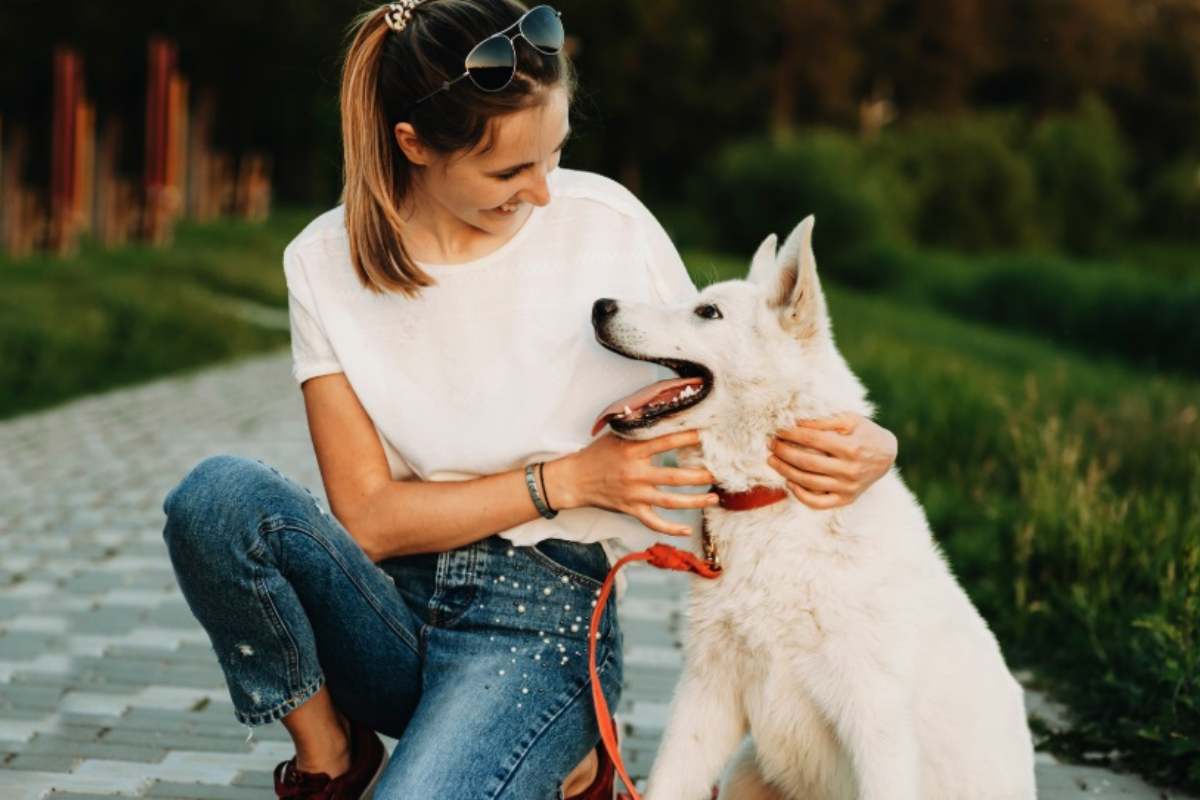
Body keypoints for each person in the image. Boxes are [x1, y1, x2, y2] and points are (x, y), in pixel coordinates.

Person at [160, 1, 899, 798]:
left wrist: (876, 448)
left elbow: (738, 384)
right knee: (216, 500)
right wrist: (568, 480)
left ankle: (572, 757)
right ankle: (330, 755)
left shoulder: (606, 224)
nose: (545, 192)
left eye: (554, 156)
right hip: (386, 609)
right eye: (511, 172)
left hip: (541, 617)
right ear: (413, 147)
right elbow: (367, 518)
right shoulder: (321, 263)